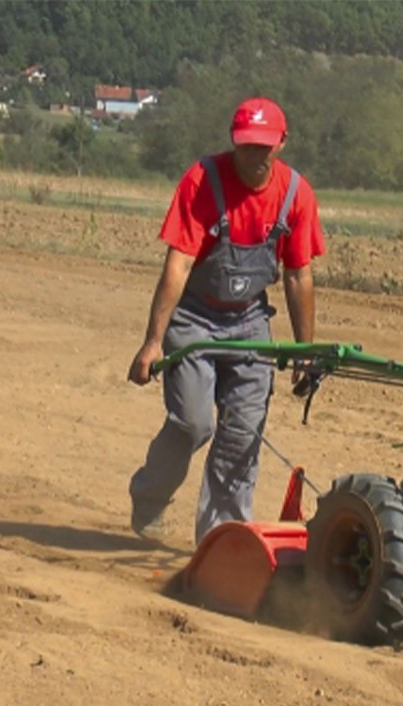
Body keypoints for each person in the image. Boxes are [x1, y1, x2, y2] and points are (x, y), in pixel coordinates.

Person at [127, 97, 324, 544]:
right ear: (234, 143)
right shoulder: (204, 181)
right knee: (193, 422)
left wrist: (304, 352)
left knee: (241, 435)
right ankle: (150, 496)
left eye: (265, 147)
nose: (256, 156)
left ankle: (221, 545)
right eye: (247, 146)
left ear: (281, 144)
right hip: (194, 317)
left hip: (250, 321)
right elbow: (177, 265)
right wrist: (153, 341)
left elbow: (298, 277)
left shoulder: (296, 194)